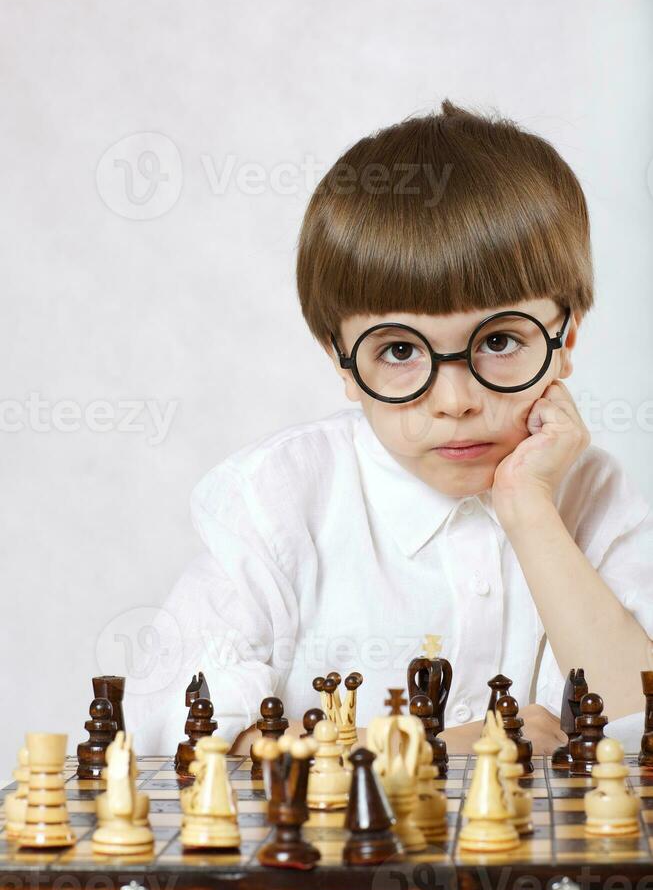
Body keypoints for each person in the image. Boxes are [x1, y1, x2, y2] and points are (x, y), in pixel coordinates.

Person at [128, 99, 653, 757]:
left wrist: (528, 511)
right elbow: (170, 721)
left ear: (564, 338)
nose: (455, 399)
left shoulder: (593, 497)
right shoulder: (280, 498)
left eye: (498, 341)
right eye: (400, 352)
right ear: (342, 363)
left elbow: (637, 725)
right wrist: (414, 756)